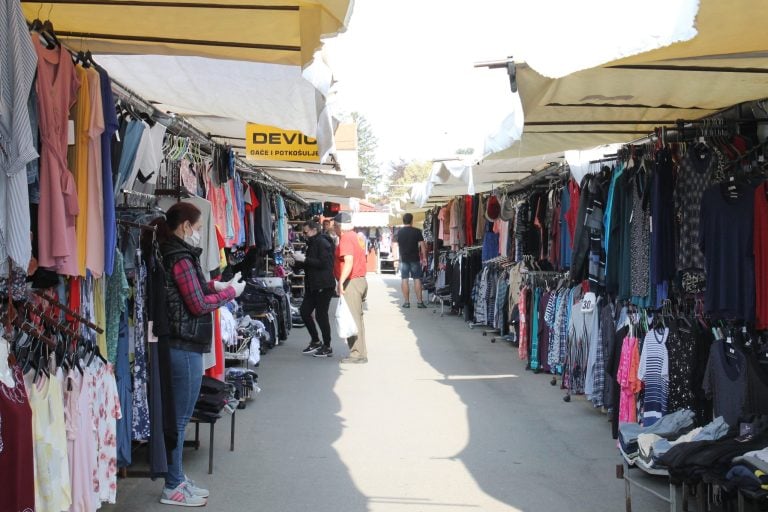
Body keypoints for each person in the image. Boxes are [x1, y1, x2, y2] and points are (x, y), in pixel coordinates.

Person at [154, 202, 246, 507]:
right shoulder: (178, 257)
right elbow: (196, 305)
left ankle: (177, 478)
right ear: (185, 226)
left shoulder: (178, 255)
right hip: (183, 344)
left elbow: (192, 290)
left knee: (180, 416)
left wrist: (215, 285)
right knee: (179, 418)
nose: (198, 233)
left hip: (185, 342)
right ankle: (172, 486)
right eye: (197, 227)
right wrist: (229, 293)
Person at [294, 220, 336, 357]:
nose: (304, 234)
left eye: (305, 232)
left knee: (321, 315)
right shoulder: (311, 243)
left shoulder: (322, 242)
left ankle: (327, 345)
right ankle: (316, 341)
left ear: (313, 230)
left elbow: (325, 263)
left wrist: (304, 260)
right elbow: (308, 264)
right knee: (305, 312)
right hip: (313, 284)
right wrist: (296, 262)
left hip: (324, 285)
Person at [333, 212, 369, 364]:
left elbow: (348, 261)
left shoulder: (346, 238)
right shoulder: (353, 236)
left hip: (352, 281)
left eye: (335, 225)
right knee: (356, 318)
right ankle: (360, 352)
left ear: (340, 226)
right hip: (358, 280)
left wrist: (340, 281)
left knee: (352, 319)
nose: (333, 228)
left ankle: (357, 354)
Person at [395, 213, 428, 308]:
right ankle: (420, 302)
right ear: (412, 221)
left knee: (404, 279)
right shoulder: (417, 231)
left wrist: (395, 259)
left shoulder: (398, 232)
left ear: (403, 221)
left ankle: (406, 302)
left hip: (403, 259)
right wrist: (424, 257)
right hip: (415, 259)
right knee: (417, 279)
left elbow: (394, 245)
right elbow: (423, 246)